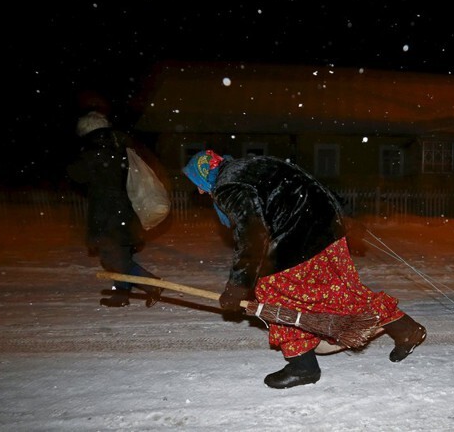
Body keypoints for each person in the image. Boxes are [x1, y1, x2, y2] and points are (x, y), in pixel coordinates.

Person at [181, 149, 427, 389]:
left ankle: (303, 367)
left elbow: (252, 235)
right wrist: (345, 218)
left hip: (295, 242)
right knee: (340, 291)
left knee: (275, 299)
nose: (200, 191)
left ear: (204, 175)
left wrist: (238, 285)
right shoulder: (256, 163)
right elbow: (310, 182)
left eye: (198, 183)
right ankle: (406, 330)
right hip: (327, 230)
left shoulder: (228, 186)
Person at [67, 110, 164, 308]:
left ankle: (152, 284)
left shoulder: (92, 152)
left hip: (107, 215)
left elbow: (76, 174)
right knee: (120, 257)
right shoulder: (119, 147)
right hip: (124, 212)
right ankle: (121, 296)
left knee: (116, 260)